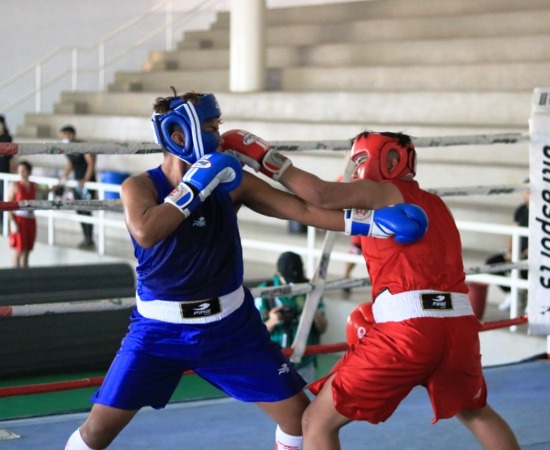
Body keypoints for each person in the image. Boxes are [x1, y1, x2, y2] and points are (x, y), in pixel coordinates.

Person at [64, 92, 427, 450]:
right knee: (97, 433)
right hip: (158, 330)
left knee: (300, 420)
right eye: (211, 128)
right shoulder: (140, 186)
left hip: (231, 329)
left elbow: (302, 211)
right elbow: (146, 231)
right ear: (178, 135)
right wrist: (195, 186)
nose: (220, 137)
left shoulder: (232, 184)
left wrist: (373, 223)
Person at [224, 130, 521, 449]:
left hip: (410, 330)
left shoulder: (382, 192)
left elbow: (321, 195)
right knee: (476, 412)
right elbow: (314, 211)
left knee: (316, 422)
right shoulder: (437, 205)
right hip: (459, 328)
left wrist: (267, 159)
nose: (356, 168)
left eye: (360, 159)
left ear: (391, 160)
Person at [255, 251, 328, 383]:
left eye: (296, 280)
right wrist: (272, 321)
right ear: (278, 273)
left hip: (305, 362)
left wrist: (313, 310)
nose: (293, 285)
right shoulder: (264, 292)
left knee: (308, 396)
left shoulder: (310, 289)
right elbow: (254, 335)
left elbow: (322, 328)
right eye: (289, 280)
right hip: (275, 362)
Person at [485, 180, 530, 311]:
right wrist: (511, 251)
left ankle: (532, 300)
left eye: (531, 191)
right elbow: (513, 232)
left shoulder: (544, 213)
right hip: (518, 252)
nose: (528, 194)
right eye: (526, 191)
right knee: (492, 263)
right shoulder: (521, 209)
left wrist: (526, 253)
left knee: (528, 267)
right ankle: (512, 293)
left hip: (533, 255)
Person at [59, 125, 97, 250]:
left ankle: (89, 238)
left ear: (72, 135)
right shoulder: (68, 149)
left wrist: (86, 179)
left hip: (87, 183)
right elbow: (71, 163)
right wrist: (64, 175)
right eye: (62, 136)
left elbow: (91, 163)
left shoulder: (82, 146)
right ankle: (85, 237)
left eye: (65, 135)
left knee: (86, 209)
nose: (64, 138)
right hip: (77, 182)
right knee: (79, 209)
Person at [7, 161, 44, 268]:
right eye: (19, 170)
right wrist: (12, 221)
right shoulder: (14, 185)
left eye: (23, 170)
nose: (21, 172)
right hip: (19, 220)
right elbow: (8, 205)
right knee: (19, 250)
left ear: (28, 171)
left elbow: (45, 192)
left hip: (31, 220)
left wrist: (59, 184)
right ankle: (15, 275)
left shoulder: (33, 185)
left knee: (27, 250)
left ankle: (25, 275)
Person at [0, 115, 16, 230]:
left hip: (3, 171)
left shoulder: (7, 137)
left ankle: (3, 223)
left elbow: (8, 156)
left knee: (3, 197)